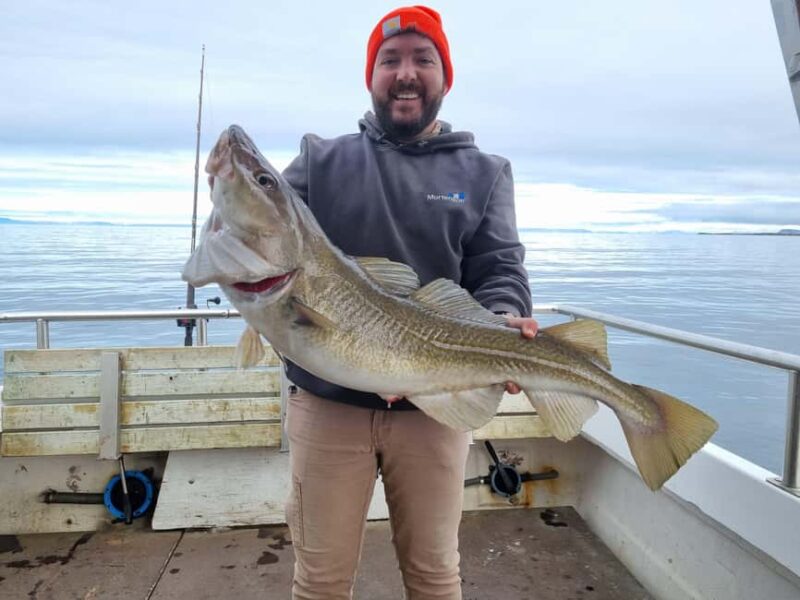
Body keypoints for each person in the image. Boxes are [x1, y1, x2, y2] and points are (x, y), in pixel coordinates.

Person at [281, 6, 537, 599]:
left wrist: (500, 320)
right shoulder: (319, 160)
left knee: (434, 576)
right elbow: (264, 231)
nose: (405, 73)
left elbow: (499, 267)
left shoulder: (485, 172)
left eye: (424, 59)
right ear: (370, 76)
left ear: (445, 76)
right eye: (389, 59)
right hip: (328, 402)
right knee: (319, 581)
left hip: (436, 406)